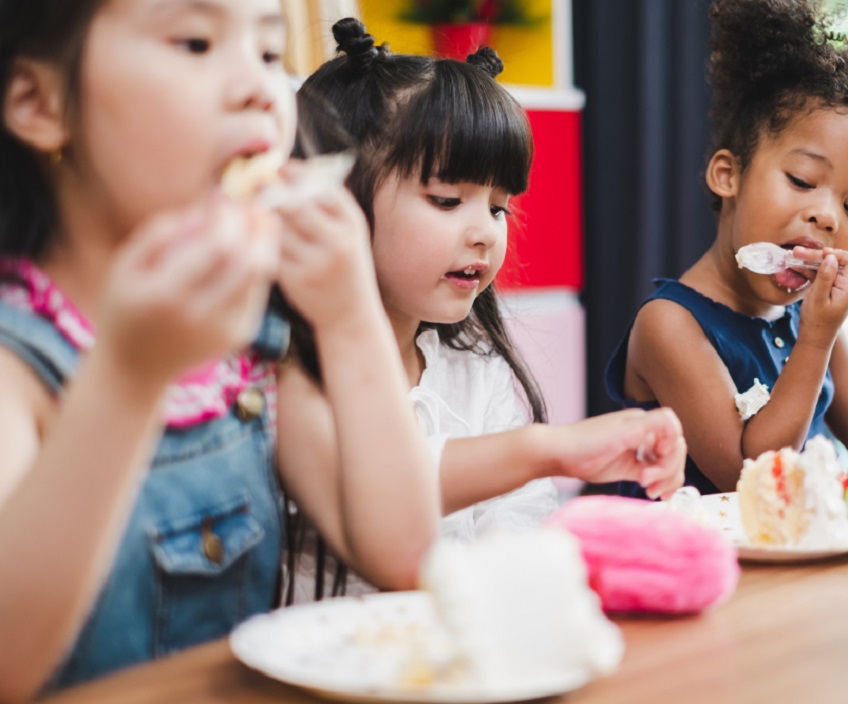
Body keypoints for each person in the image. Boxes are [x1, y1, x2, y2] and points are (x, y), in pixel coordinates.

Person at [0, 0, 440, 698]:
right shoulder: (17, 362)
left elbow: (408, 556)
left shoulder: (244, 348)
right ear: (38, 102)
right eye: (197, 42)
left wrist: (350, 313)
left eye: (269, 53)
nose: (260, 89)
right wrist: (126, 377)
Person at [286, 18, 687, 594]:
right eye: (447, 199)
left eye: (498, 207)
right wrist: (548, 449)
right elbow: (378, 499)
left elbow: (520, 524)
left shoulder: (477, 366)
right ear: (335, 195)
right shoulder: (285, 371)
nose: (484, 232)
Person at [604, 0, 848, 495]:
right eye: (802, 180)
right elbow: (747, 474)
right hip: (698, 564)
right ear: (728, 175)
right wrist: (816, 340)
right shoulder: (669, 325)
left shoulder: (809, 319)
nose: (829, 216)